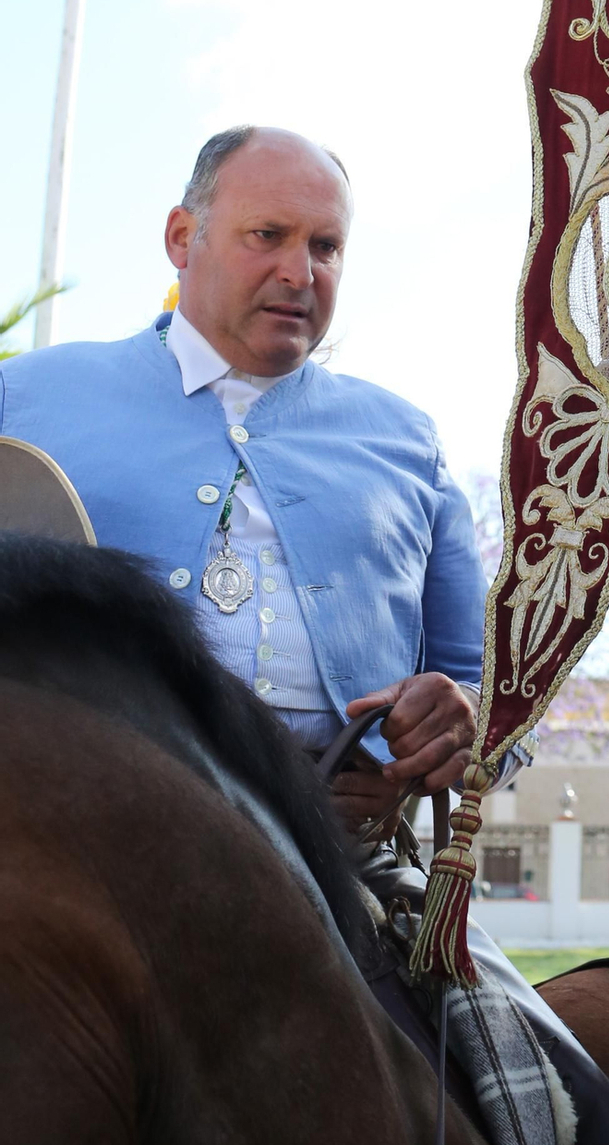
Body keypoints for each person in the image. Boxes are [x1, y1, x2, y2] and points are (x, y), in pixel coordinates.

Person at [0, 126, 485, 821]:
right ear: (181, 237)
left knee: (466, 942)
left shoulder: (411, 443)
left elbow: (486, 693)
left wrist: (454, 726)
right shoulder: (23, 401)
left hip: (359, 874)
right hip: (79, 845)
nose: (299, 272)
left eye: (325, 247)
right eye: (267, 235)